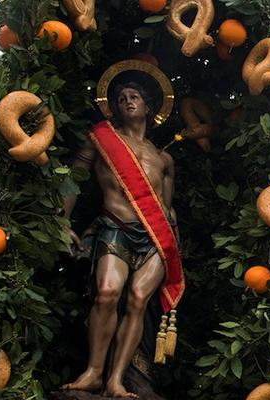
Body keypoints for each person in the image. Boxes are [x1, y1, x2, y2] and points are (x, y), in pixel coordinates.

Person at [61, 82, 178, 398]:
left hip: (155, 238)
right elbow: (74, 180)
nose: (127, 101)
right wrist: (63, 221)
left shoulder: (163, 158)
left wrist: (174, 252)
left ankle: (116, 380)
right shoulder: (100, 140)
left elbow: (167, 210)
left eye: (134, 96)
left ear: (147, 106)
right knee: (108, 293)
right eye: (121, 98)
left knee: (139, 300)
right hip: (115, 226)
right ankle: (93, 372)